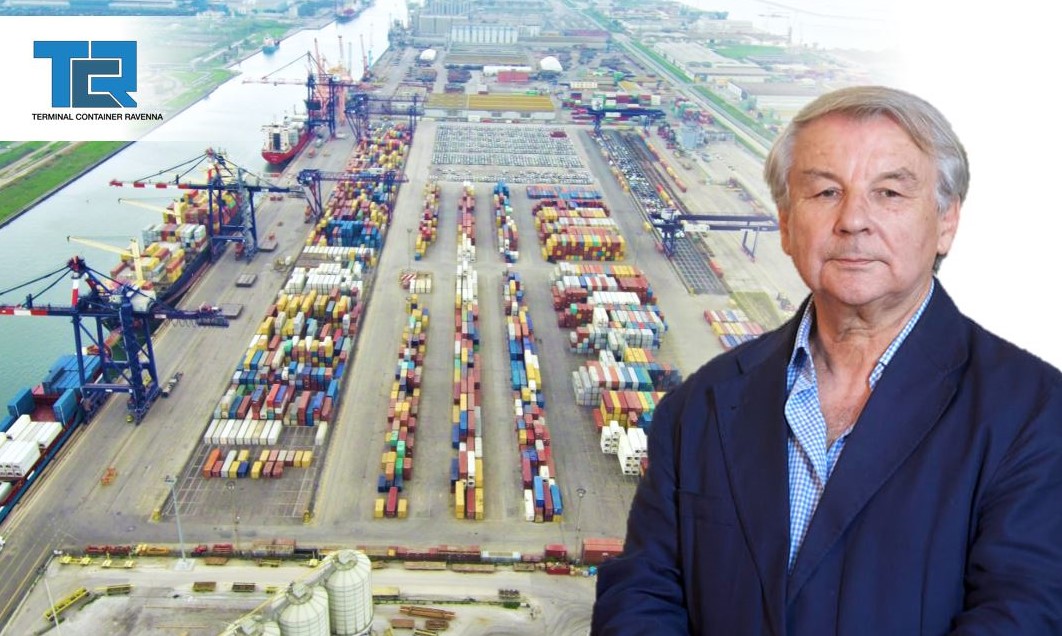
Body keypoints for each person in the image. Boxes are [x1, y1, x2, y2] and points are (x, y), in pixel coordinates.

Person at [592, 86, 1062, 635]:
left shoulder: (1035, 415)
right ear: (786, 225)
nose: (853, 220)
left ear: (947, 222)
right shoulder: (698, 405)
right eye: (825, 192)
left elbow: (1025, 616)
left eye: (889, 193)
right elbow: (641, 593)